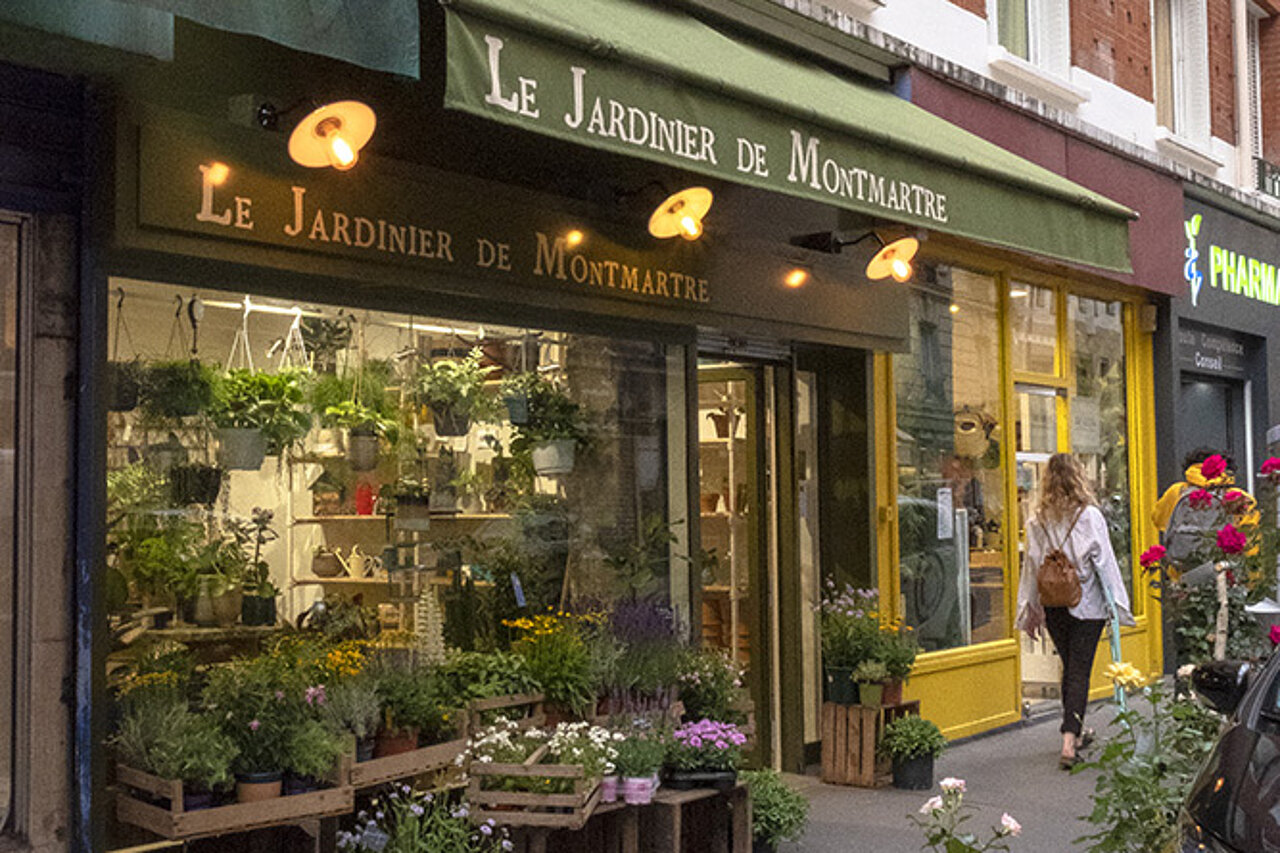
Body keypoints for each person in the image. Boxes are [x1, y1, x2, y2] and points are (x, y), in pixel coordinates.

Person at [1016, 453, 1135, 769]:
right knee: (1080, 669)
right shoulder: (1090, 516)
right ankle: (1070, 741)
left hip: (1054, 603)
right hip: (1087, 603)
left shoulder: (1036, 520)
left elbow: (1031, 567)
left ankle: (1076, 730)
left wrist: (1030, 609)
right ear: (1077, 478)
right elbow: (1105, 564)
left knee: (1070, 667)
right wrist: (1119, 607)